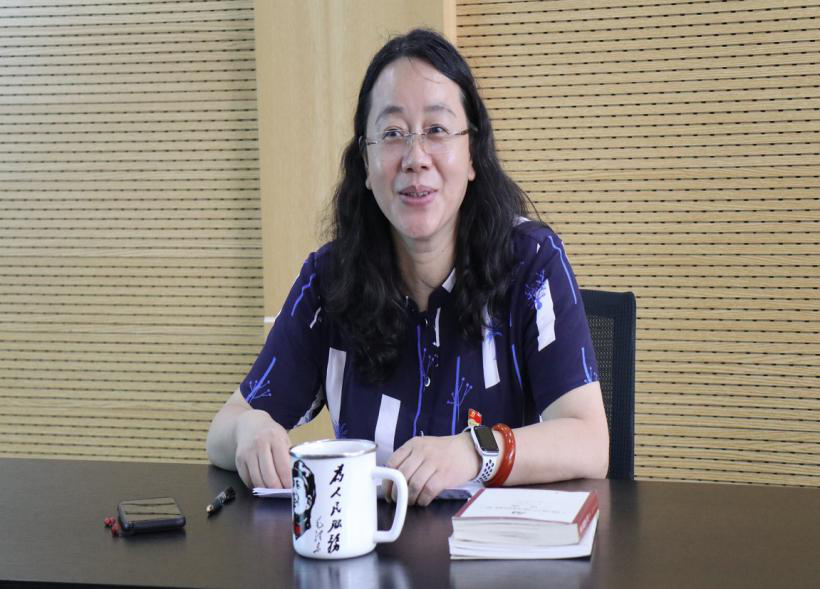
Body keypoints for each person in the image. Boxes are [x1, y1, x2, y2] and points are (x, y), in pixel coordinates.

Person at [207, 28, 609, 506]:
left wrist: (474, 450)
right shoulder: (328, 282)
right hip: (370, 547)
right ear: (365, 161)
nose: (416, 159)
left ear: (473, 154)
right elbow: (224, 429)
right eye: (393, 134)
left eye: (436, 130)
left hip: (493, 546)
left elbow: (589, 442)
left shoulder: (532, 262)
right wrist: (251, 429)